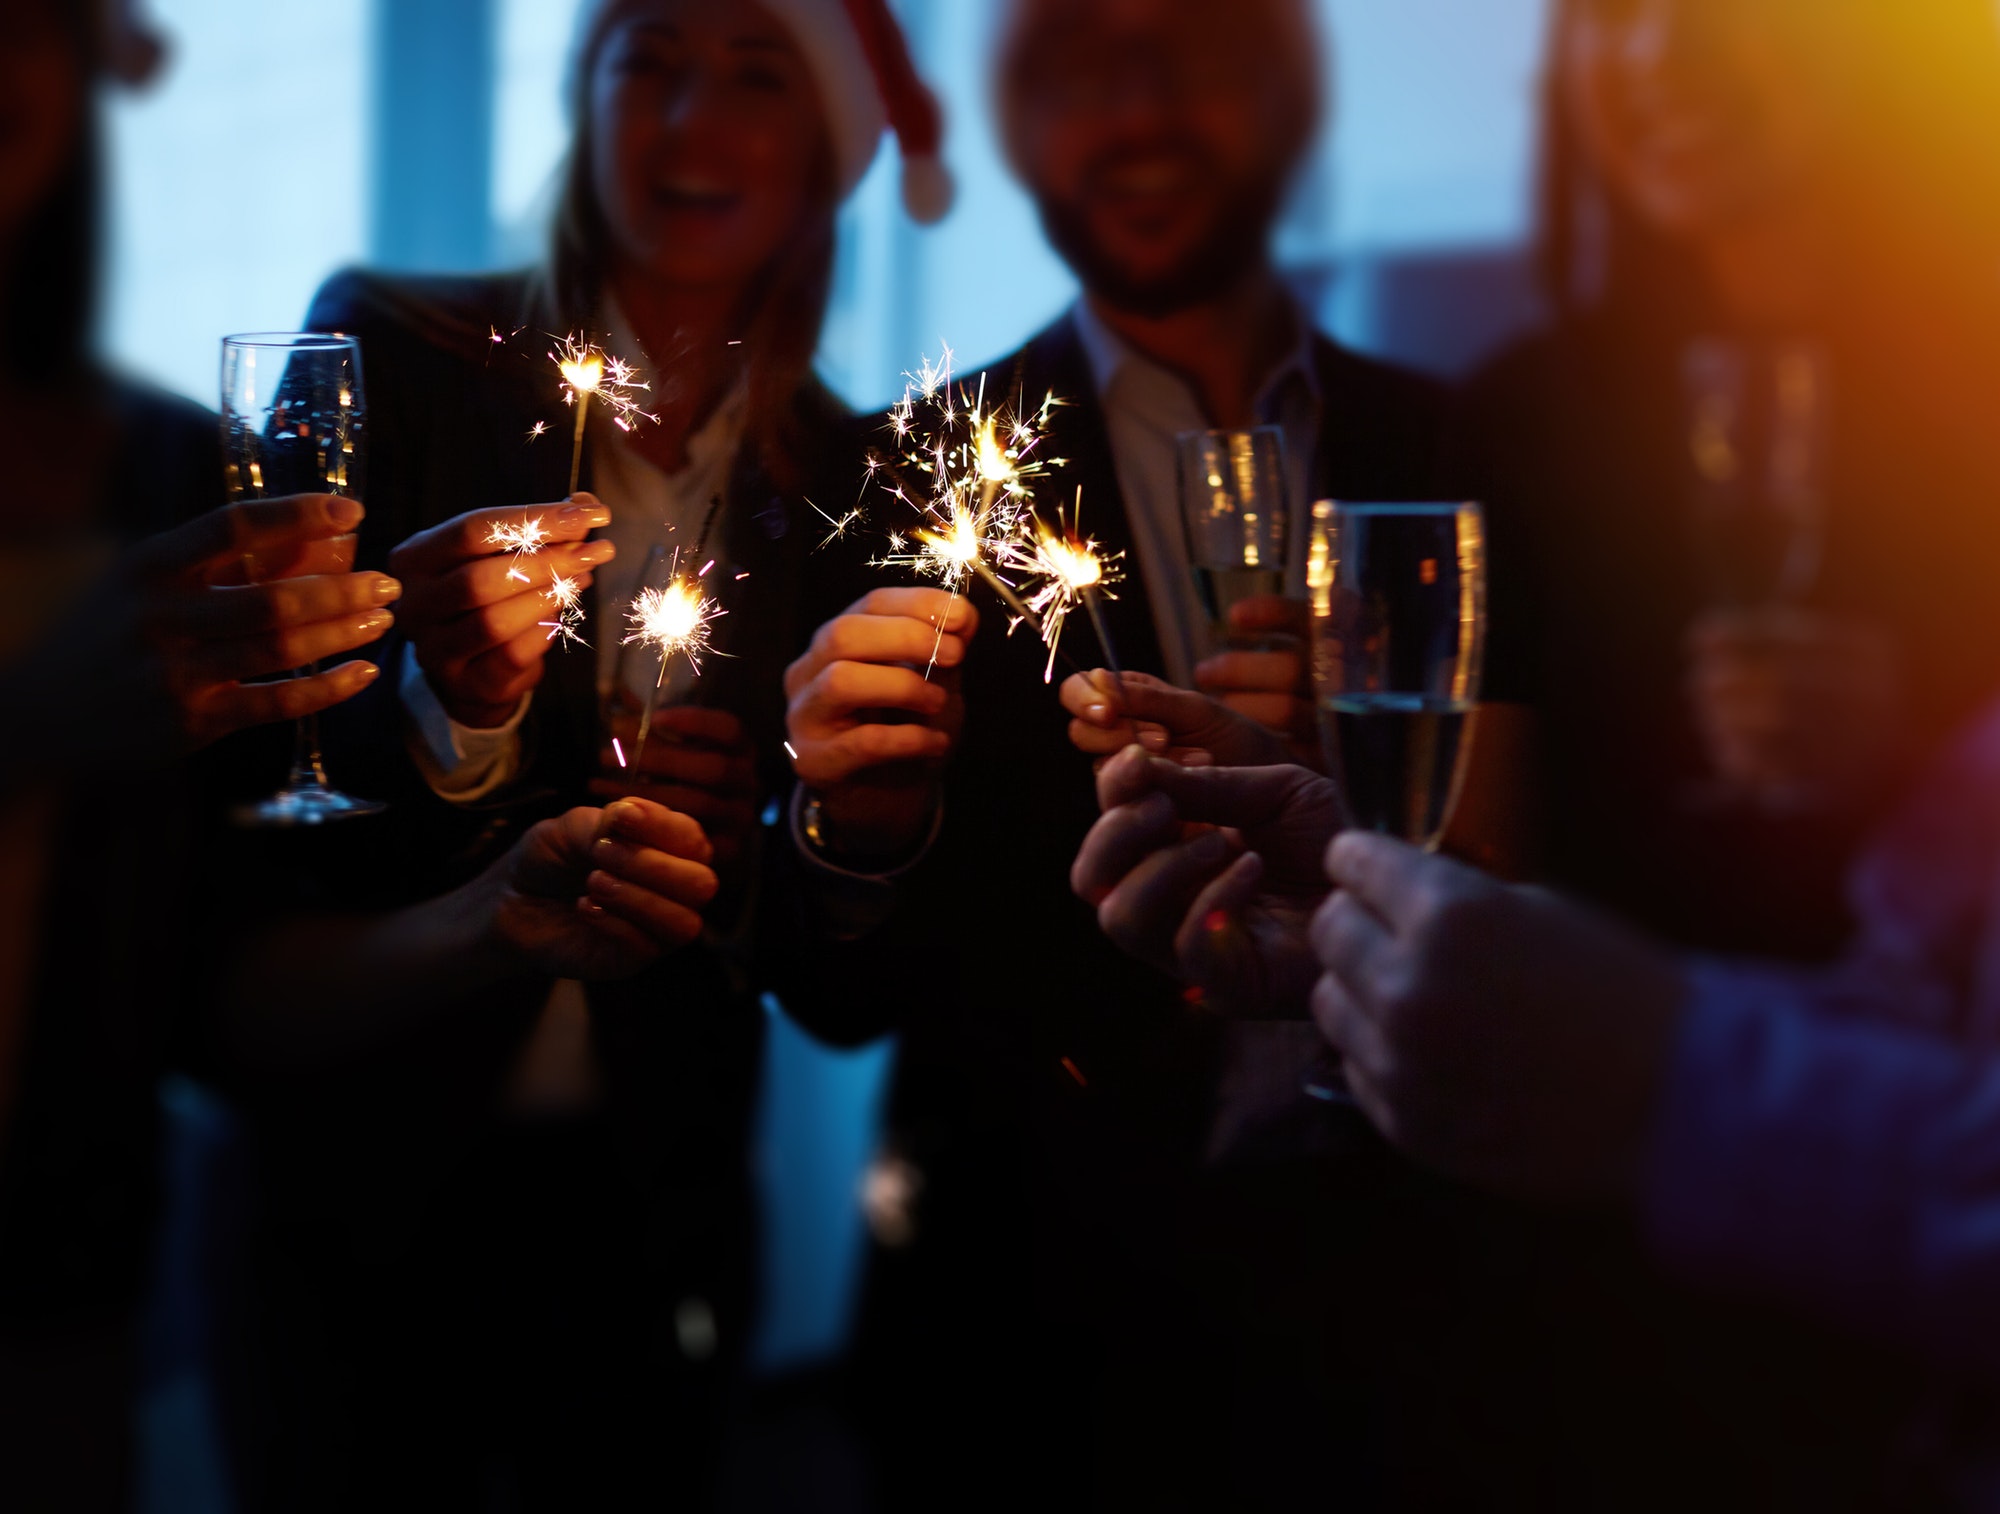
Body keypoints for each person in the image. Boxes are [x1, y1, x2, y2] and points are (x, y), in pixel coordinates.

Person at [217, 1, 951, 1507]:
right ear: (586, 96)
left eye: (756, 73)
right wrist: (459, 714)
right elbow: (251, 822)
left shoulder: (855, 479)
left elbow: (850, 985)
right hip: (357, 1198)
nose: (691, 117)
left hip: (650, 1220)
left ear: (825, 144)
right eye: (652, 58)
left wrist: (782, 856)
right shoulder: (391, 351)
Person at [774, 0, 1475, 1503]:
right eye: (1082, 63)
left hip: (1421, 1320)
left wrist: (1368, 795)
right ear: (1022, 130)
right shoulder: (902, 470)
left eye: (1195, 48)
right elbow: (838, 995)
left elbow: (1575, 873)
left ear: (1289, 100)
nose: (1138, 106)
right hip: (1031, 1343)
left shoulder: (1468, 449)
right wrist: (862, 830)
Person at [0, 2, 401, 1507]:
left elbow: (238, 941)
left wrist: (452, 724)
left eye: (30, 23)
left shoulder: (164, 465)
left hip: (59, 1264)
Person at [1457, 0, 2000, 959]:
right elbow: (1470, 868)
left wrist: (1919, 758)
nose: (1663, 50)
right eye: (1612, 8)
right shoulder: (1513, 419)